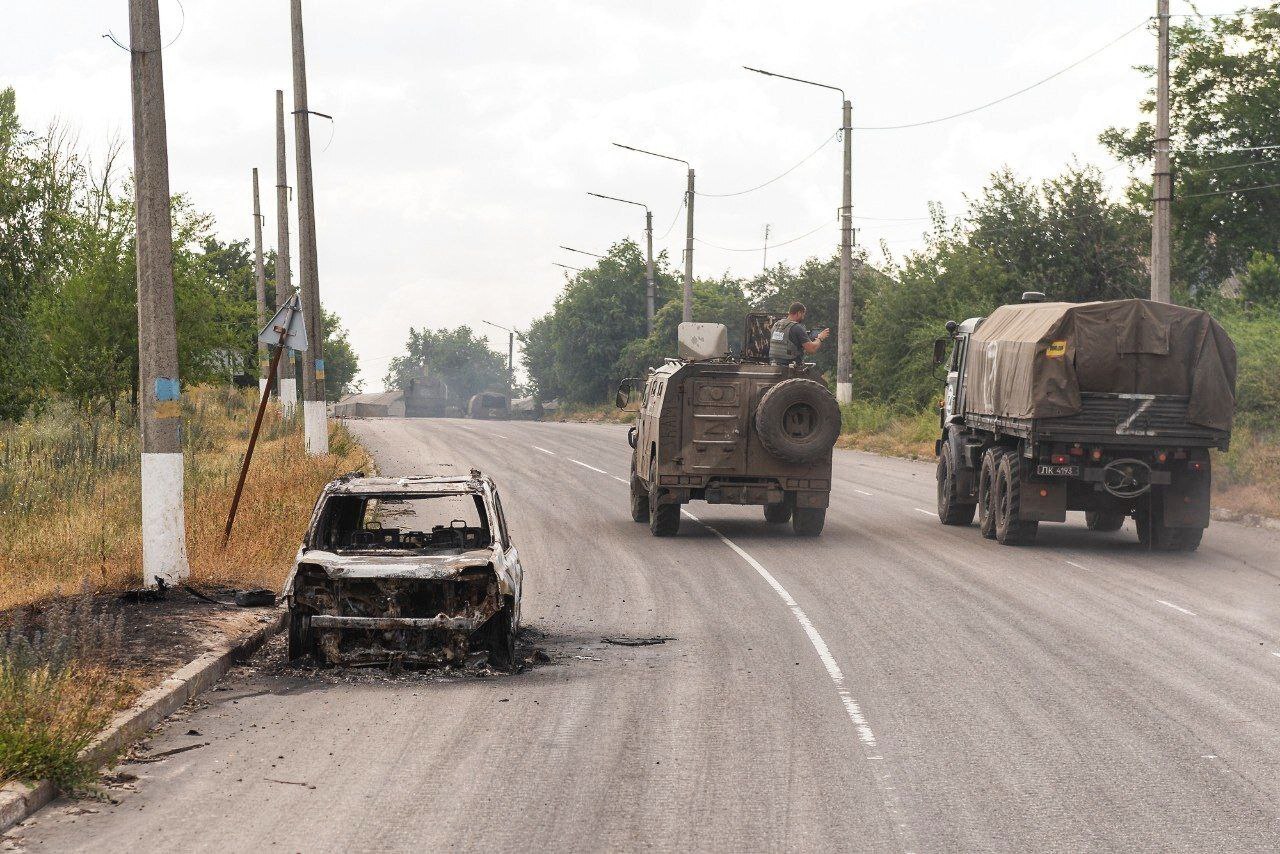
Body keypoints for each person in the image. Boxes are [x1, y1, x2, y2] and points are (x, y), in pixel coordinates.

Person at [768, 302, 829, 367]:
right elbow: (811, 349)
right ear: (799, 313)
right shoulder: (797, 327)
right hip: (790, 366)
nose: (803, 318)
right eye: (803, 315)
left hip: (774, 364)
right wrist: (820, 338)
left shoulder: (776, 325)